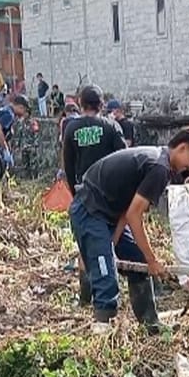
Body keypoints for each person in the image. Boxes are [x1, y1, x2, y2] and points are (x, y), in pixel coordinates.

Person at [69, 127, 189, 333]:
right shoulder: (159, 167)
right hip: (89, 208)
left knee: (136, 259)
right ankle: (102, 327)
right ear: (183, 147)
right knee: (106, 271)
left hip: (109, 212)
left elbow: (127, 210)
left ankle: (150, 323)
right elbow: (135, 216)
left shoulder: (159, 160)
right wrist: (153, 260)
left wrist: (115, 242)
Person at [63, 85, 128, 306]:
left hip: (84, 192)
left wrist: (75, 193)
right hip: (110, 193)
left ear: (81, 104)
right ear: (101, 105)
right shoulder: (111, 127)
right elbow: (123, 160)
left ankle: (85, 294)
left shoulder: (71, 129)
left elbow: (68, 166)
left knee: (87, 244)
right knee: (114, 238)